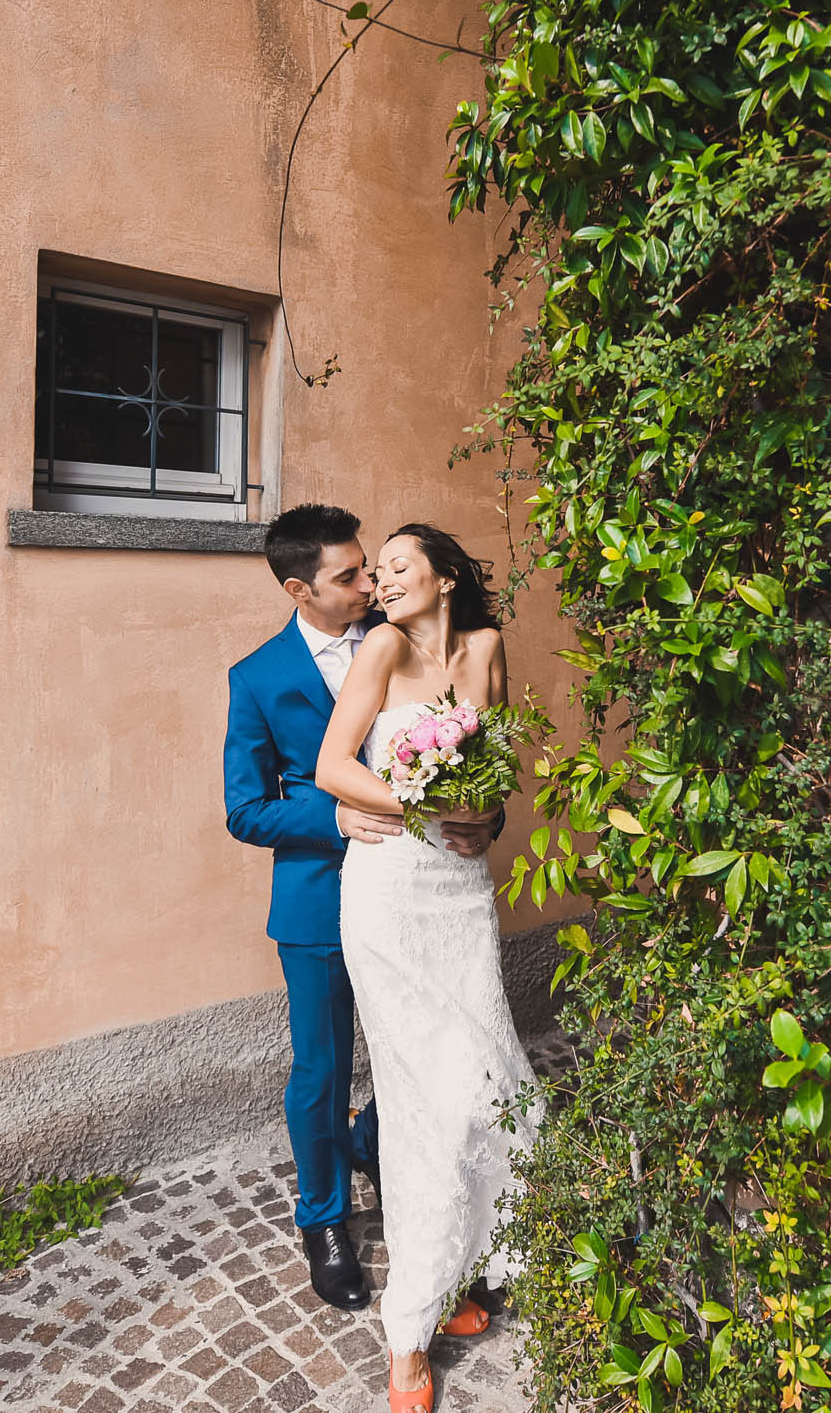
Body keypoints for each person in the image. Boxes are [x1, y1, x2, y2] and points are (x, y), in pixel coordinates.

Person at [223, 505, 496, 1313]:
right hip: (315, 901)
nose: (370, 583)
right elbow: (244, 810)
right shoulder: (257, 677)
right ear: (300, 589)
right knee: (322, 1068)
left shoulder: (404, 633)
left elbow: (472, 743)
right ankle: (325, 1220)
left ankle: (383, 1149)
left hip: (418, 885)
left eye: (369, 566)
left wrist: (483, 814)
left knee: (436, 1043)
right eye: (350, 576)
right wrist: (333, 816)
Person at [315, 524, 539, 1413]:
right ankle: (407, 1334)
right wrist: (421, 797)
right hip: (389, 890)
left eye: (400, 566)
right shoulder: (380, 645)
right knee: (417, 1098)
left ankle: (453, 1277)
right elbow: (334, 765)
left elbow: (499, 767)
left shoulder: (486, 647)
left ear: (446, 577)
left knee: (482, 1081)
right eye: (379, 572)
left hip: (460, 891)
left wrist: (485, 816)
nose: (383, 579)